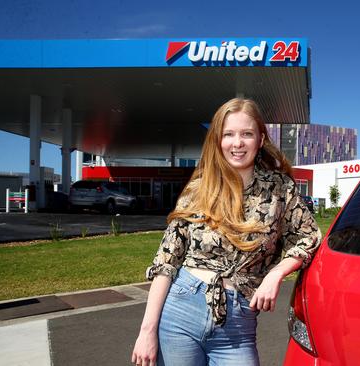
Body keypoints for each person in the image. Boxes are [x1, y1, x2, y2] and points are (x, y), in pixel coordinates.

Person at [131, 98, 321, 366]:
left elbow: (309, 237)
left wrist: (276, 274)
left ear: (260, 138)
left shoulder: (280, 189)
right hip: (181, 311)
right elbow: (166, 262)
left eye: (246, 134)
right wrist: (146, 332)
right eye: (228, 134)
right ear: (218, 140)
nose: (237, 143)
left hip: (237, 322)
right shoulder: (199, 188)